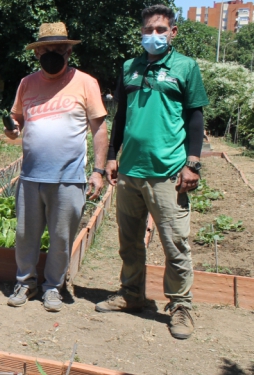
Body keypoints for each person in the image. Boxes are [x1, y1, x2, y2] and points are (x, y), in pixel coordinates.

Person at [95, 5, 208, 340]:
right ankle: (131, 294)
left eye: (161, 29)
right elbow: (120, 116)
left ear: (173, 32)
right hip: (130, 171)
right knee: (129, 240)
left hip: (169, 171)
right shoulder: (130, 67)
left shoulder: (186, 67)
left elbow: (196, 118)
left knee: (174, 243)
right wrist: (113, 156)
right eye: (148, 30)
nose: (153, 35)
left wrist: (193, 162)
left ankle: (181, 306)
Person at [4, 22, 109, 312]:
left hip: (69, 177)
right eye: (46, 49)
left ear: (68, 51)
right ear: (37, 53)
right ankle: (26, 282)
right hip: (30, 176)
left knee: (62, 238)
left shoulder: (86, 82)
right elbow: (17, 123)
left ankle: (53, 287)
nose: (52, 53)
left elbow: (99, 129)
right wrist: (12, 131)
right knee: (25, 236)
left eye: (58, 49)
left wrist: (98, 171)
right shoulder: (27, 83)